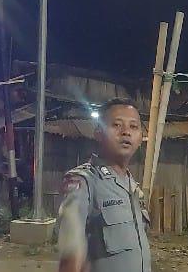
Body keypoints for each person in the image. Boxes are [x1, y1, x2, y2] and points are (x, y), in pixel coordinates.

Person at [56, 98, 151, 272]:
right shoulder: (84, 181)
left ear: (140, 138)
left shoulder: (132, 186)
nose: (126, 132)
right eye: (117, 125)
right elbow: (70, 257)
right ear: (98, 133)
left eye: (133, 126)